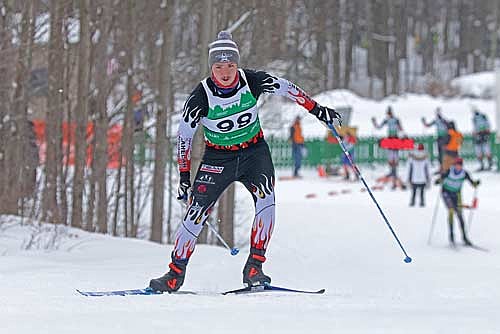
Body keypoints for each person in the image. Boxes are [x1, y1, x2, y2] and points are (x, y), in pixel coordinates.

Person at [149, 31, 341, 293]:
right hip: (218, 158)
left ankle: (254, 267)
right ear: (211, 68)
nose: (225, 72)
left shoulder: (252, 80)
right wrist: (184, 177)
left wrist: (318, 110)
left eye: (230, 65)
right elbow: (184, 138)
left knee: (266, 203)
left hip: (254, 153)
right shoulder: (200, 97)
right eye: (219, 66)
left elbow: (287, 88)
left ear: (237, 65)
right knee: (195, 213)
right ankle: (174, 274)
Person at [435, 157, 480, 247]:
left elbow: (472, 183)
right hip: (446, 193)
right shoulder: (449, 171)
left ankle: (464, 237)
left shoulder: (464, 173)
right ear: (454, 165)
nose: (458, 167)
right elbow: (439, 179)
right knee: (451, 210)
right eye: (457, 165)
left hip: (456, 194)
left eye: (460, 165)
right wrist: (438, 181)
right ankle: (451, 236)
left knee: (459, 215)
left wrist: (476, 184)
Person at [372, 106, 404, 189]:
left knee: (395, 156)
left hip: (395, 138)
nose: (388, 115)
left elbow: (401, 129)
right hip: (390, 138)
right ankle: (392, 171)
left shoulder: (396, 120)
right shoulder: (387, 120)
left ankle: (395, 172)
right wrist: (375, 123)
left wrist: (402, 133)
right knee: (390, 156)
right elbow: (379, 127)